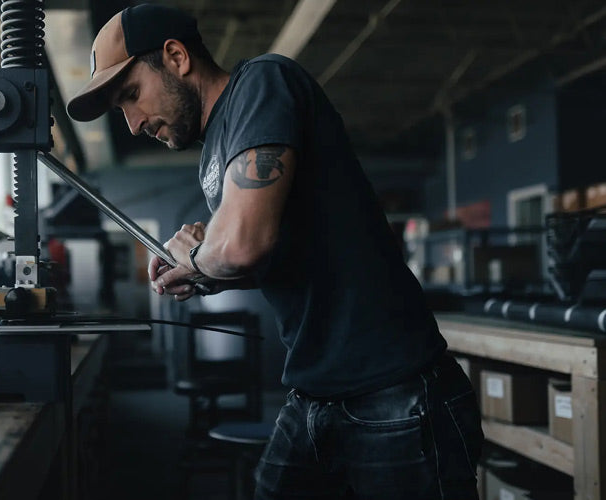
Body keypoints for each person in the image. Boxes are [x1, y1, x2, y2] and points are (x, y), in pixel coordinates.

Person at [66, 4, 483, 499]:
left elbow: (243, 245)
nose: (132, 124)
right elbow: (271, 257)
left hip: (394, 390)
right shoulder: (217, 148)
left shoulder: (262, 84)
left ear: (176, 57)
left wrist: (199, 257)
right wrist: (199, 272)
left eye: (132, 95)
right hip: (317, 390)